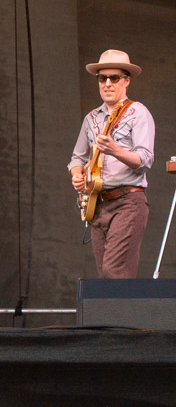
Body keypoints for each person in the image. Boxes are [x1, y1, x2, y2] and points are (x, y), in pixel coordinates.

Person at [68, 49, 155, 279]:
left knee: (116, 272)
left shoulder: (138, 113)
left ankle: (125, 316)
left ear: (126, 81)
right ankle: (114, 316)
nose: (107, 83)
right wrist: (77, 174)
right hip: (97, 203)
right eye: (102, 78)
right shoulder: (91, 118)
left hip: (128, 201)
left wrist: (115, 150)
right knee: (105, 277)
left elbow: (145, 159)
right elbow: (77, 157)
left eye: (114, 78)